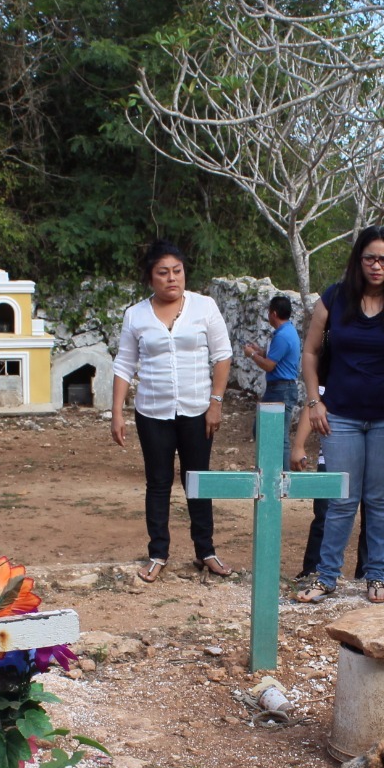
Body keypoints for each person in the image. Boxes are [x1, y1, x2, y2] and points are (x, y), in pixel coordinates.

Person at [294, 227, 384, 604]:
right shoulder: (335, 299)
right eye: (370, 258)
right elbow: (311, 352)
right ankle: (326, 577)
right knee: (341, 499)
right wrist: (313, 401)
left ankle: (377, 576)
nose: (376, 266)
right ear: (358, 260)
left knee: (382, 499)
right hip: (342, 416)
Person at [111, 240, 235, 582]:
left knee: (198, 480)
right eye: (162, 273)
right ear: (150, 278)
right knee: (159, 482)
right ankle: (158, 553)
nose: (171, 279)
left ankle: (205, 550)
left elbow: (222, 355)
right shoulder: (135, 314)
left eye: (177, 271)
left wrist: (216, 403)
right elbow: (124, 363)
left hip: (198, 410)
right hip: (152, 412)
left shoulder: (204, 307)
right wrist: (117, 412)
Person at [290, 389, 384, 580]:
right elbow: (315, 398)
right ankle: (315, 572)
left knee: (378, 513)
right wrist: (298, 445)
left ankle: (369, 574)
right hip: (337, 450)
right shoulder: (338, 361)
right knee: (327, 514)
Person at [242, 295, 302, 465]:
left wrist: (252, 355)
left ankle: (281, 473)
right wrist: (259, 351)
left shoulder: (282, 336)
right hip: (280, 388)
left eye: (269, 312)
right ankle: (273, 467)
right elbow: (275, 357)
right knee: (263, 429)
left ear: (273, 313)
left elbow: (269, 365)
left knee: (277, 434)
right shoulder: (287, 332)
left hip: (280, 389)